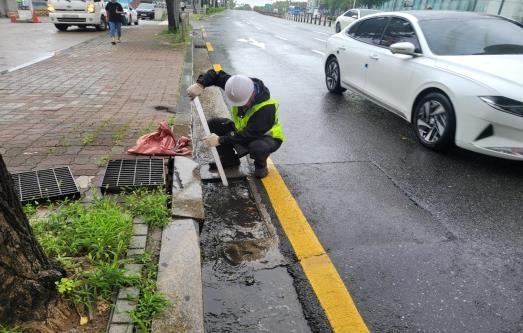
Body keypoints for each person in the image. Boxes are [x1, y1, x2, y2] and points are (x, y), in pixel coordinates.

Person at [187, 69, 285, 179]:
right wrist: (200, 84)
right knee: (214, 124)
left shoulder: (266, 109)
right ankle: (229, 161)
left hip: (265, 138)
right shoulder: (235, 86)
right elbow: (216, 74)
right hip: (242, 132)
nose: (242, 106)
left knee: (258, 147)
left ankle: (260, 166)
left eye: (244, 102)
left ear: (252, 93)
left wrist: (220, 140)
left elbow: (249, 134)